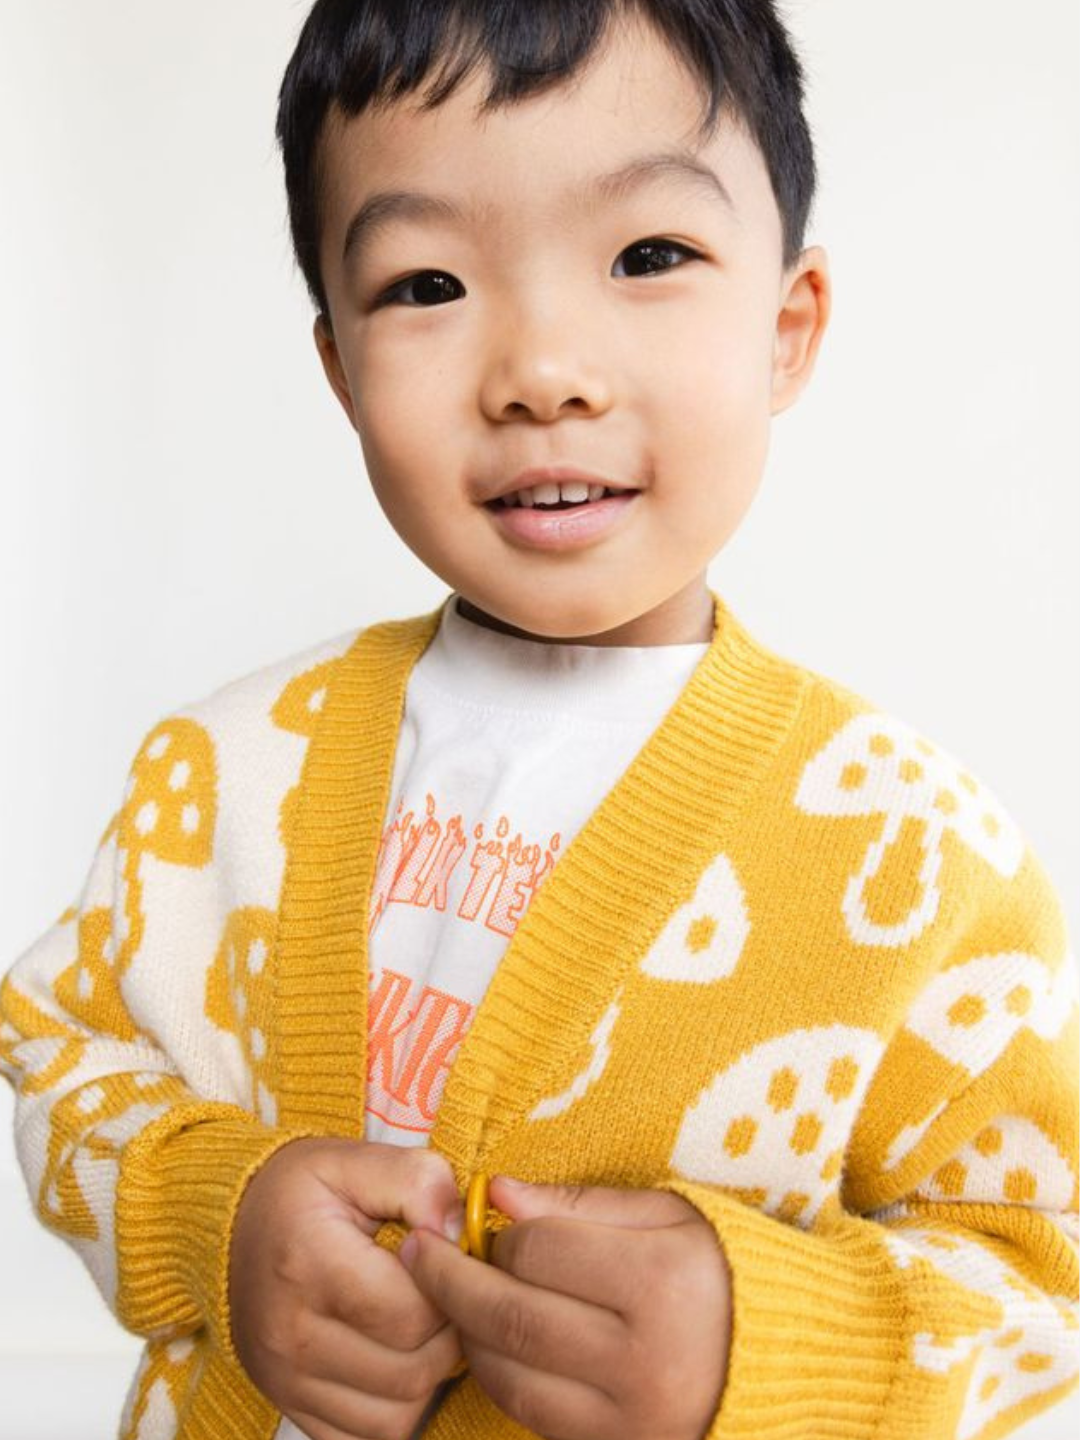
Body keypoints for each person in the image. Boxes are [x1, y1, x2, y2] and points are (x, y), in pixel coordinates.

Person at [2, 1, 1076, 1438]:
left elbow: (1037, 1280)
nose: (541, 372)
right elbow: (61, 1049)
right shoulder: (222, 772)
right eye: (426, 284)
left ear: (787, 328)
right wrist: (219, 1212)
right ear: (339, 372)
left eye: (649, 256)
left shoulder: (915, 853)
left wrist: (778, 1345)